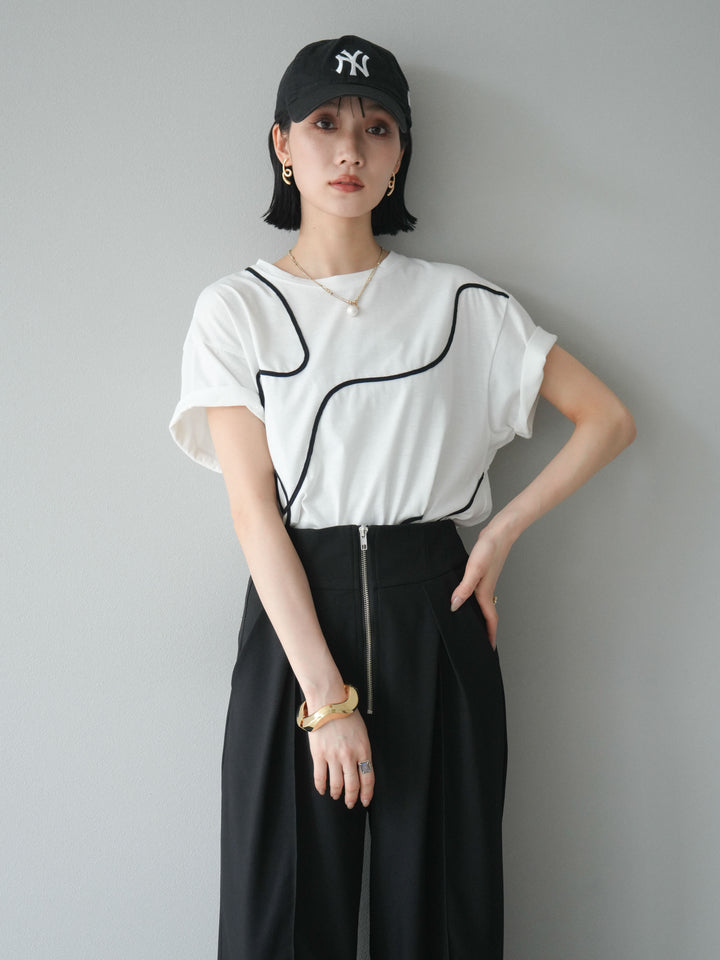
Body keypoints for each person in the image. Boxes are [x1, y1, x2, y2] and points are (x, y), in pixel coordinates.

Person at [169, 34, 635, 960]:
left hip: (435, 609)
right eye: (324, 123)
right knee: (279, 922)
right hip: (297, 622)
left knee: (444, 921)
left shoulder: (462, 304)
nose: (350, 149)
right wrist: (325, 702)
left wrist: (497, 536)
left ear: (400, 154)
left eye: (377, 128)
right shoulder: (236, 309)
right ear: (282, 144)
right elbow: (254, 513)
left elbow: (608, 420)